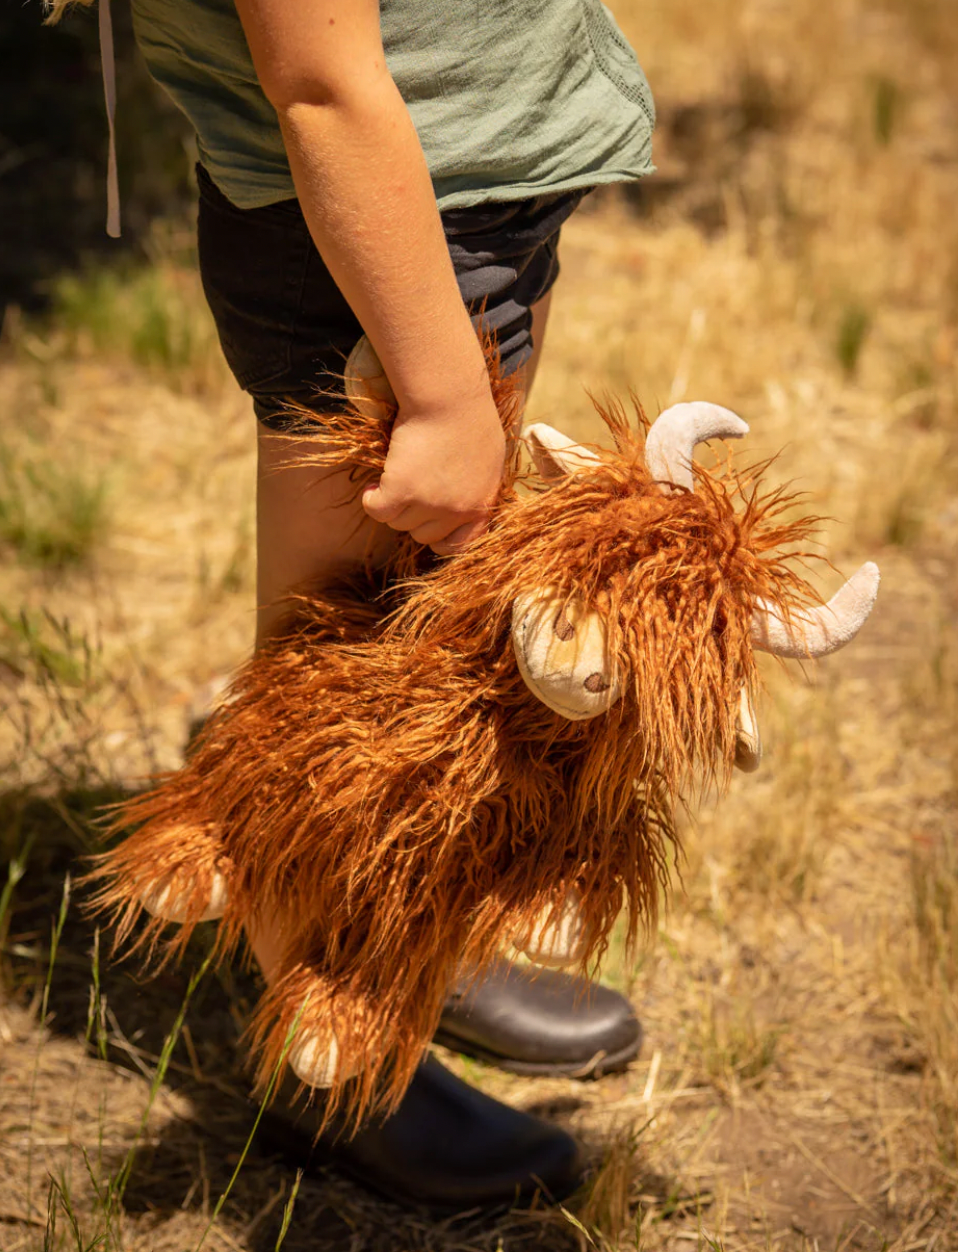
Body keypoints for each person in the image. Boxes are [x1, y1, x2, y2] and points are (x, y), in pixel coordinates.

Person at [52, 0, 657, 1210]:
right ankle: (337, 1063)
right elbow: (323, 83)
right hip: (377, 234)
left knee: (434, 650)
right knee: (327, 688)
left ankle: (423, 938)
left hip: (460, 195)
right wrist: (439, 395)